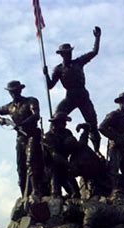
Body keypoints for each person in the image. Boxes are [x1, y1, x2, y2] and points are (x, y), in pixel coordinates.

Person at [43, 26, 102, 155]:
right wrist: (46, 74)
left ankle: (97, 151)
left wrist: (97, 38)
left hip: (82, 95)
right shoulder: (58, 69)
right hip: (70, 96)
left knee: (92, 123)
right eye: (66, 52)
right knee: (56, 116)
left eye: (69, 52)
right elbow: (50, 86)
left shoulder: (79, 62)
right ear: (61, 54)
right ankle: (51, 144)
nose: (68, 54)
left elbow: (94, 52)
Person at [0, 80, 43, 197]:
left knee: (31, 162)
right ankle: (24, 194)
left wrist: (23, 124)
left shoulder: (31, 101)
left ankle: (36, 191)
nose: (13, 94)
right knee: (20, 166)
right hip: (20, 138)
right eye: (11, 92)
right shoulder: (10, 107)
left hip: (32, 135)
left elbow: (36, 115)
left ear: (20, 90)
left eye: (15, 91)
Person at [43, 112, 80, 198]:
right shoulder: (48, 136)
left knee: (75, 193)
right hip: (53, 168)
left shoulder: (67, 133)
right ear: (56, 123)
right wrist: (70, 165)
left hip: (65, 166)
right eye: (63, 122)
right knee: (55, 194)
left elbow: (74, 147)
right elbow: (54, 155)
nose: (65, 124)